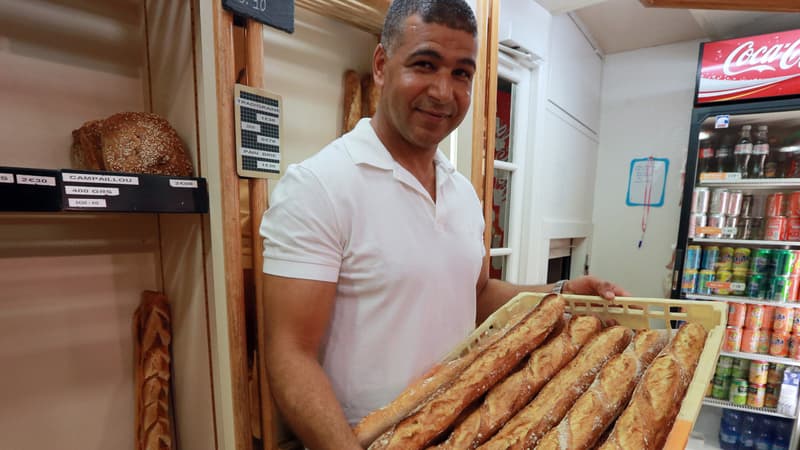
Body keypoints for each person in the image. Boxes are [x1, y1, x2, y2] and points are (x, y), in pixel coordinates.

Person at [259, 0, 629, 448]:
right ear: (381, 65)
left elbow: (474, 295)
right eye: (425, 64)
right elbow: (289, 356)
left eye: (461, 74)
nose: (443, 91)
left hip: (462, 429)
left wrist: (562, 293)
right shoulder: (318, 187)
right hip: (368, 438)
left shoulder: (463, 193)